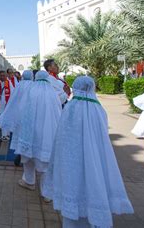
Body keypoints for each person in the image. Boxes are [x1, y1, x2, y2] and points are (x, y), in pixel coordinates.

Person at [42, 76, 134, 227]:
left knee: (73, 190)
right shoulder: (99, 109)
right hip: (95, 159)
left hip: (72, 160)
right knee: (92, 185)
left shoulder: (71, 108)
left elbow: (62, 137)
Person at [11, 70, 61, 198]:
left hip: (30, 131)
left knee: (28, 157)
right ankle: (47, 193)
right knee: (46, 161)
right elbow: (58, 112)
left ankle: (29, 181)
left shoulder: (31, 91)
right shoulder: (53, 93)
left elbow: (22, 110)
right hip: (48, 132)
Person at [0, 70, 14, 141]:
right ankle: (6, 134)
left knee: (5, 119)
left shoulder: (8, 83)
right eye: (1, 75)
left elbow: (12, 94)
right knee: (3, 119)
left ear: (6, 76)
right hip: (0, 104)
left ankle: (5, 135)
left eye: (3, 75)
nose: (2, 77)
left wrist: (9, 104)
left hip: (6, 104)